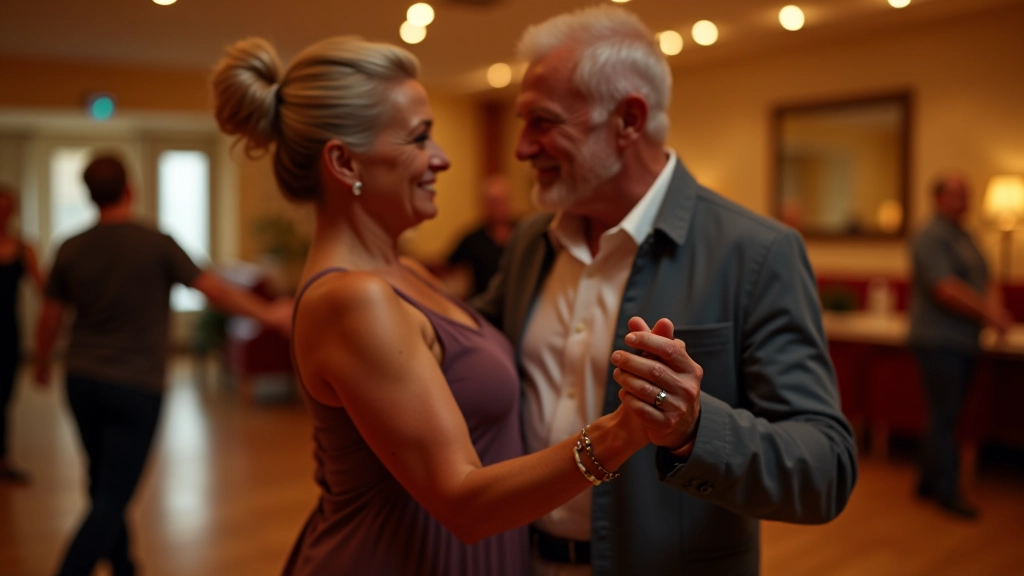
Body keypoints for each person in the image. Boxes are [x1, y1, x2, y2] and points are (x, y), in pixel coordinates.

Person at [211, 36, 650, 576]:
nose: (441, 159)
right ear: (344, 162)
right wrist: (622, 432)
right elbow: (463, 501)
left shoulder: (405, 273)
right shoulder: (354, 300)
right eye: (419, 139)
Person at [471, 6, 858, 574]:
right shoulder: (531, 240)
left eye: (543, 122)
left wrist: (694, 428)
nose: (521, 148)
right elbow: (471, 346)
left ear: (628, 120)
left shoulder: (755, 253)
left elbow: (826, 470)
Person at [34, 155, 294, 576]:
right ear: (130, 188)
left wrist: (42, 362)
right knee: (112, 494)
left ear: (89, 194)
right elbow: (214, 290)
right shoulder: (156, 242)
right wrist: (269, 315)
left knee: (103, 483)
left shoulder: (71, 246)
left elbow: (50, 317)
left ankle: (125, 565)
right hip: (136, 386)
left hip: (81, 380)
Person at [908, 174, 1014, 519]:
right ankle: (946, 490)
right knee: (945, 415)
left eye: (966, 196)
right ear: (938, 199)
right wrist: (990, 313)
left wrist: (992, 310)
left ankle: (926, 481)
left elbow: (984, 278)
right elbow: (946, 288)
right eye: (956, 196)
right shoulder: (930, 236)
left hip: (965, 339)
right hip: (938, 339)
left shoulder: (966, 236)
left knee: (943, 414)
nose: (963, 202)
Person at [0, 184, 44, 483]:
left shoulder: (22, 248)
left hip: (6, 332)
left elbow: (47, 290)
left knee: (4, 398)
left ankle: (3, 460)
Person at [446, 174, 516, 297]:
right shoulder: (472, 239)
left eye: (502, 201)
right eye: (493, 202)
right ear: (484, 204)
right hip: (483, 306)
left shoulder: (523, 231)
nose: (498, 207)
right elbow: (449, 269)